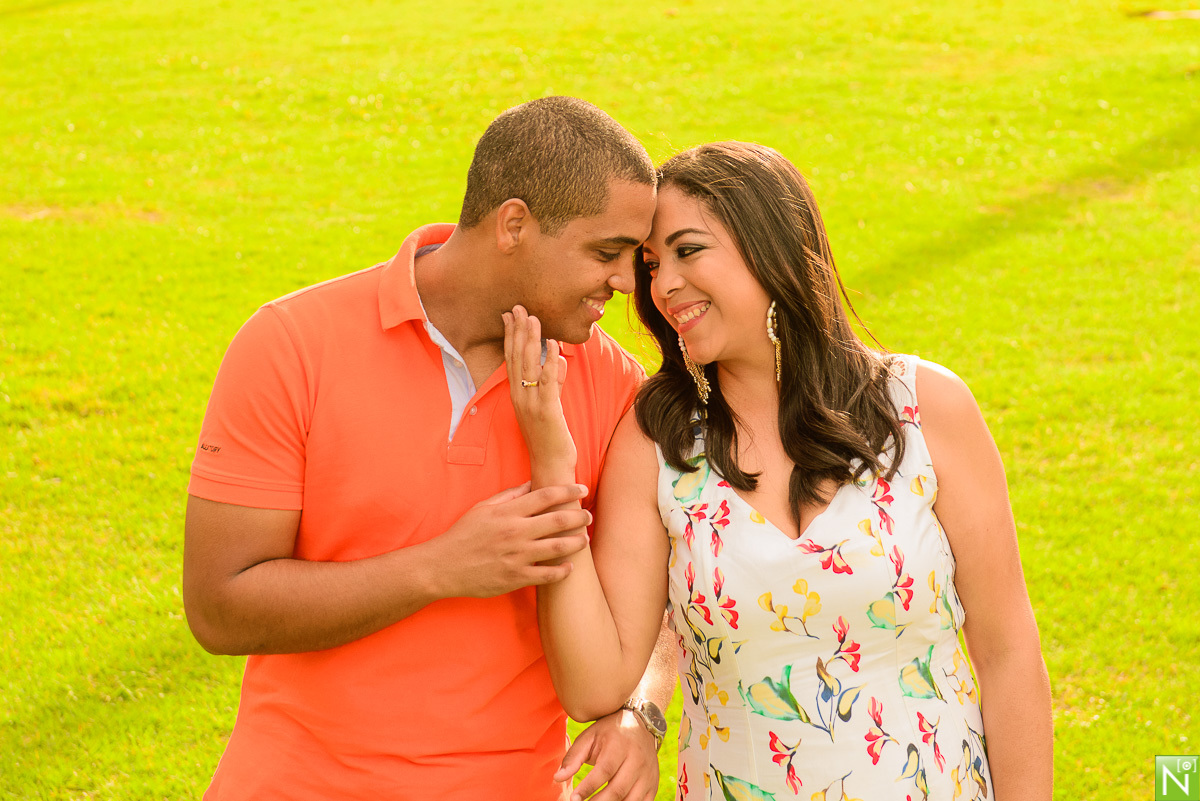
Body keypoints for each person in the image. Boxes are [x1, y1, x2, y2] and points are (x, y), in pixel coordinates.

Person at [504, 141, 1053, 799]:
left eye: (688, 249)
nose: (663, 284)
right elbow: (595, 683)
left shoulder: (924, 406)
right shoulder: (656, 443)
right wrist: (553, 465)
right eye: (652, 264)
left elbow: (1008, 651)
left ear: (772, 246)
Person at [183, 96, 676, 801]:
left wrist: (640, 712)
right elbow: (218, 606)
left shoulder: (613, 386)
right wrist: (440, 567)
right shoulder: (290, 346)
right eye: (606, 252)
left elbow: (672, 596)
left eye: (635, 257)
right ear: (514, 225)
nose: (628, 282)